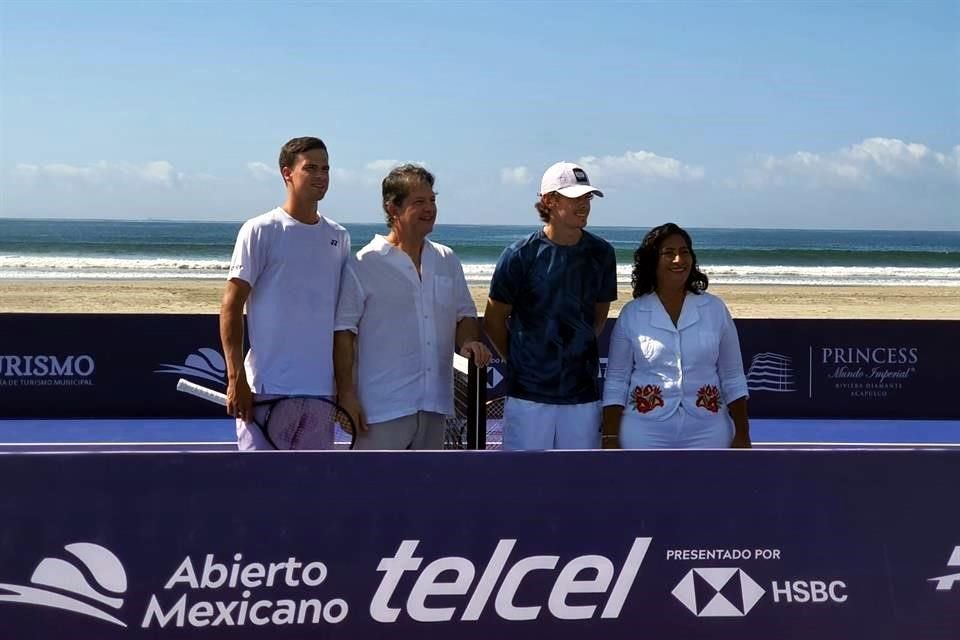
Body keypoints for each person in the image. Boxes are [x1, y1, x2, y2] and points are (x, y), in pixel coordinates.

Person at [333, 164, 491, 450]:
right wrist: (346, 395)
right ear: (392, 207)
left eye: (432, 200)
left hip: (435, 405)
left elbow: (464, 314)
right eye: (419, 202)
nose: (430, 208)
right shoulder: (363, 264)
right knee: (373, 493)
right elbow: (344, 333)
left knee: (426, 493)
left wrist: (468, 341)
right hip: (380, 410)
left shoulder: (447, 259)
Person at [220, 136, 350, 450]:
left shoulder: (339, 237)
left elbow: (342, 321)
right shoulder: (260, 230)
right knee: (260, 493)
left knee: (310, 493)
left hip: (321, 393)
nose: (321, 176)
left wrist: (345, 389)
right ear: (287, 173)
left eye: (326, 168)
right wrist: (236, 378)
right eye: (311, 168)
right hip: (266, 389)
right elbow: (231, 306)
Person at [483, 161, 617, 450]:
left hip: (582, 396)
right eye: (574, 198)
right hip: (528, 398)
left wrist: (573, 354)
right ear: (549, 200)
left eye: (587, 198)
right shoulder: (519, 255)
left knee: (578, 486)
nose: (584, 205)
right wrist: (522, 361)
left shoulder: (602, 254)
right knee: (523, 485)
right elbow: (494, 319)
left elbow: (599, 315)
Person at [601, 222, 750, 449]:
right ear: (653, 261)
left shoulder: (714, 309)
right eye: (669, 254)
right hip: (644, 428)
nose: (679, 260)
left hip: (708, 427)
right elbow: (616, 381)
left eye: (684, 252)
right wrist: (610, 438)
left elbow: (733, 376)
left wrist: (742, 434)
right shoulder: (632, 313)